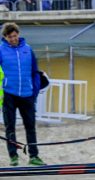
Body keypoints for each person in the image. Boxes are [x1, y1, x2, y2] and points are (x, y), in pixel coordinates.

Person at [0, 22, 45, 167]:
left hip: (27, 94)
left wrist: (34, 91)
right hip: (9, 94)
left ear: (18, 34)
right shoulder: (1, 50)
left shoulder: (28, 49)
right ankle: (13, 157)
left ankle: (34, 156)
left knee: (30, 126)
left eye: (15, 36)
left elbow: (35, 71)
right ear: (5, 37)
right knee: (10, 127)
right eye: (10, 37)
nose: (13, 39)